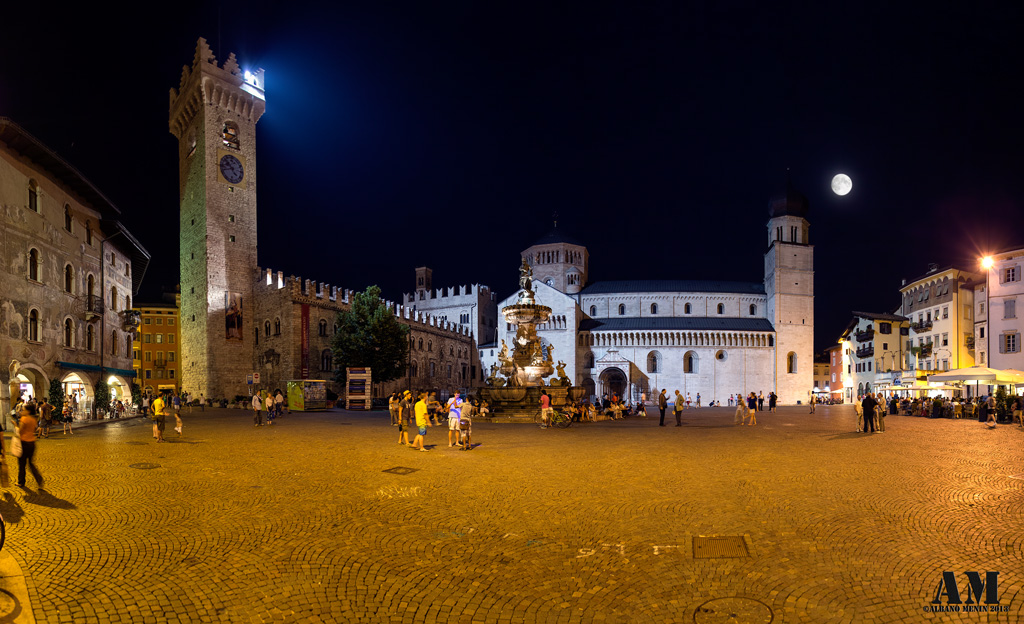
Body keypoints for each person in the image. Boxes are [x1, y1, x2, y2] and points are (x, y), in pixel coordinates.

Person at [16, 402, 44, 489]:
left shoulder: (24, 419)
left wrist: (15, 425)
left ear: (28, 411)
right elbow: (34, 429)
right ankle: (39, 480)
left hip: (24, 443)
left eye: (23, 410)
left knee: (22, 464)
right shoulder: (33, 419)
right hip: (32, 443)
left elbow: (20, 431)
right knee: (31, 463)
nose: (22, 411)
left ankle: (21, 482)